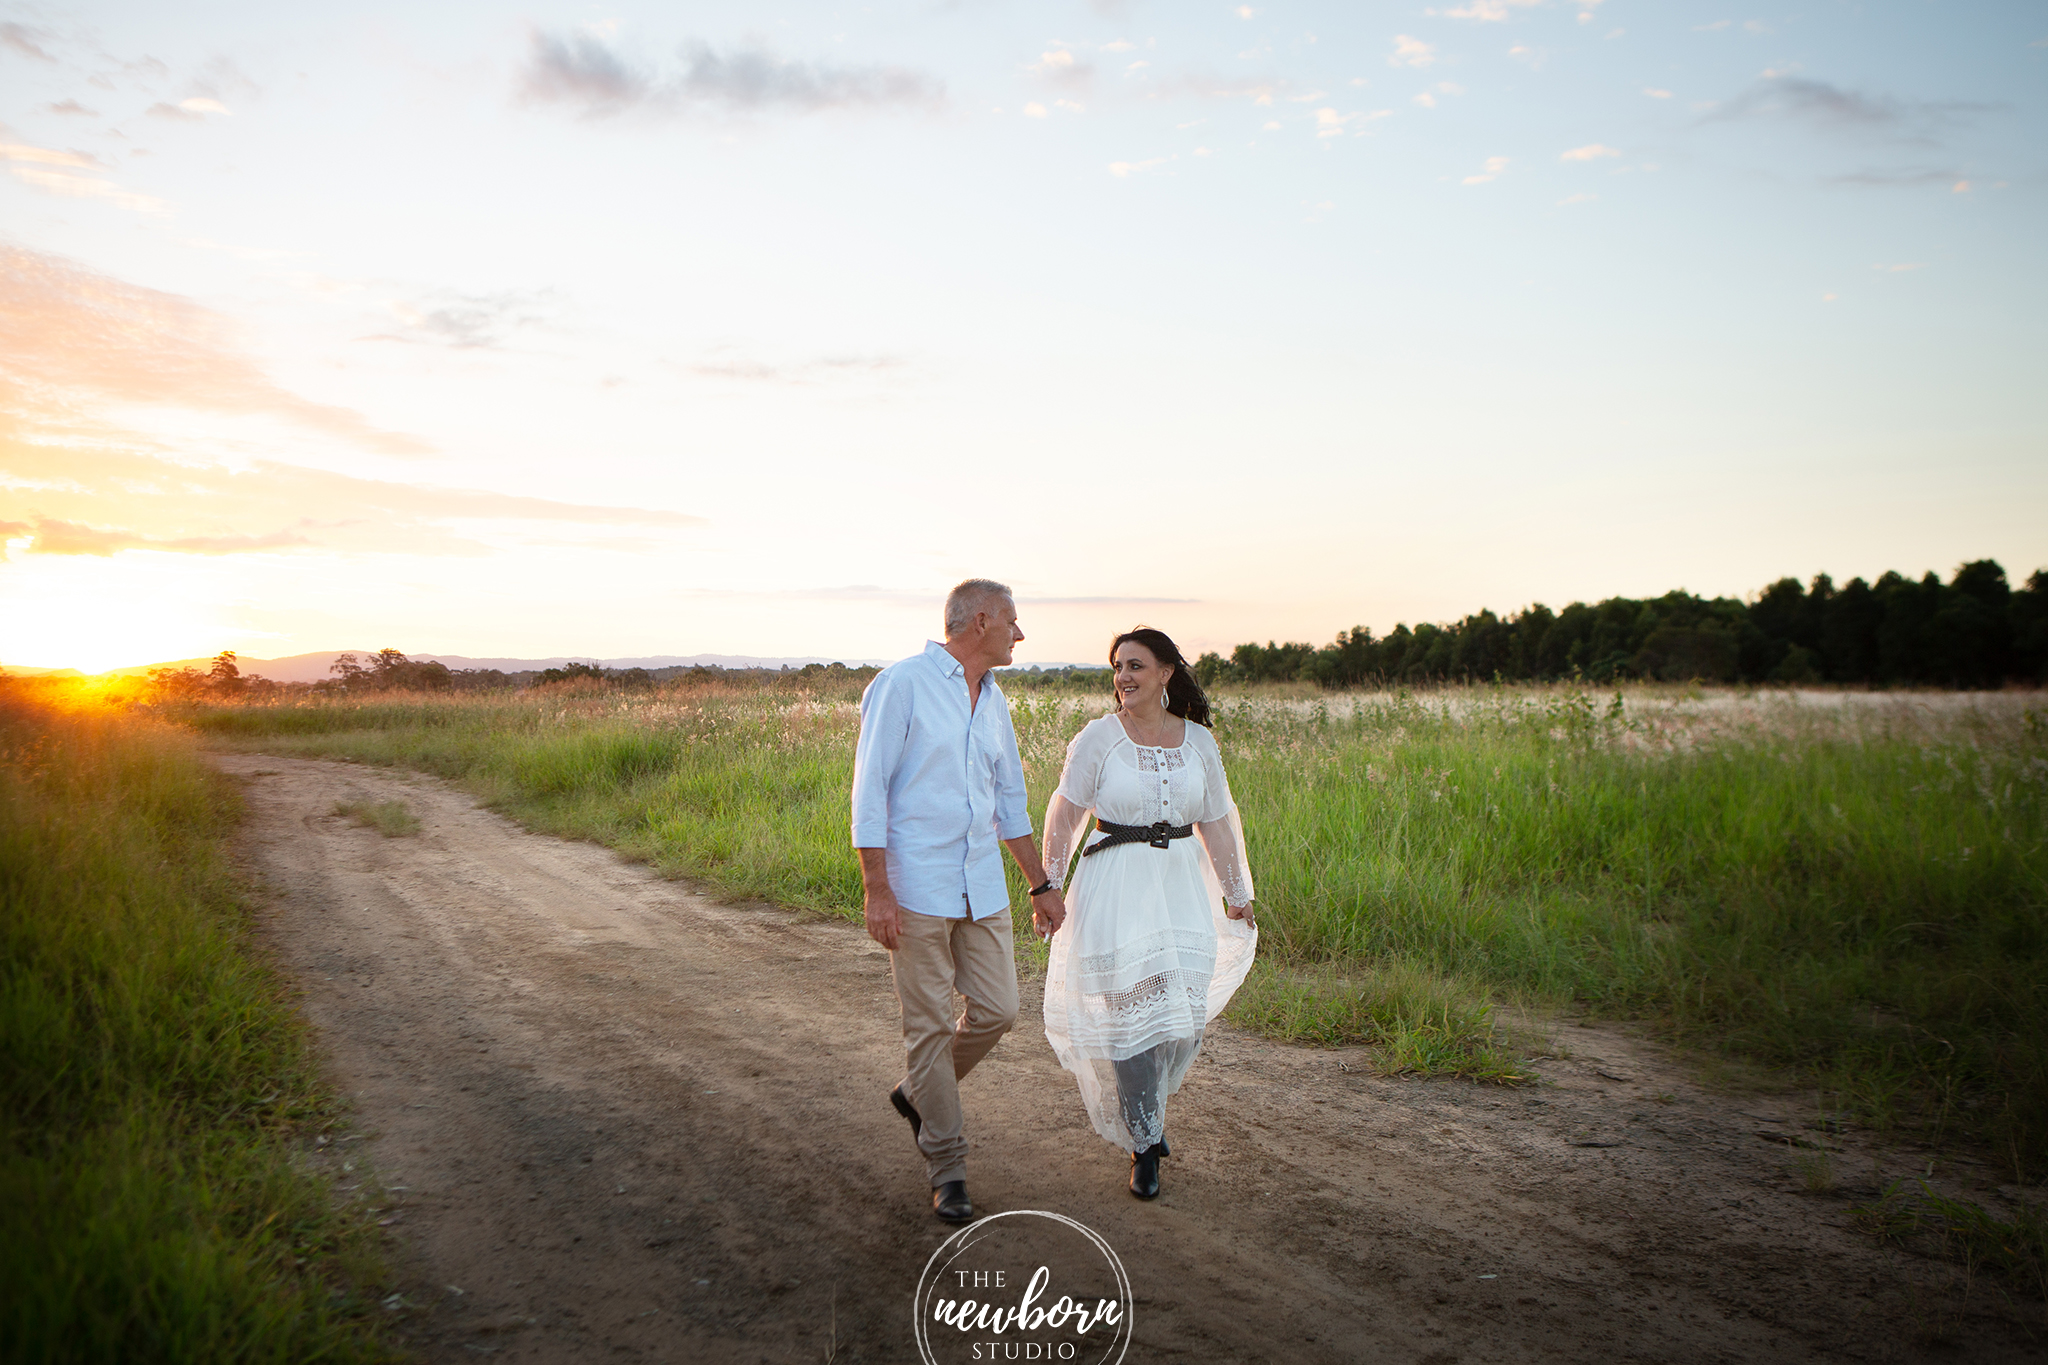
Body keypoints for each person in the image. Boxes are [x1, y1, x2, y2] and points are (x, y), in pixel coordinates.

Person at [850, 579, 1068, 1223]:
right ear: (980, 622)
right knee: (929, 1026)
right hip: (915, 886)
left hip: (981, 884)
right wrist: (876, 890)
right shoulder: (903, 685)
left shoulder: (995, 702)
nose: (1020, 635)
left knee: (999, 1009)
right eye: (1013, 622)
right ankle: (947, 1167)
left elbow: (1009, 804)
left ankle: (919, 1093)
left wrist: (1040, 882)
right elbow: (870, 795)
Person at [1039, 627, 1256, 1200]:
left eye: (1135, 665)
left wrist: (1237, 891)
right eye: (1117, 667)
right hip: (1115, 883)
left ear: (1166, 673)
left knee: (1182, 1020)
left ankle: (1149, 1113)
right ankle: (1144, 1145)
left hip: (1183, 883)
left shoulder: (1199, 743)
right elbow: (1064, 814)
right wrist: (1050, 886)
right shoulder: (1099, 738)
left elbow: (1215, 819)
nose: (1123, 677)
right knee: (1131, 1018)